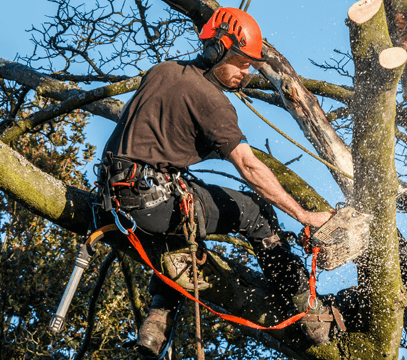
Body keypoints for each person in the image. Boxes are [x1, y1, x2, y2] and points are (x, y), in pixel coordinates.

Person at [98, 7, 338, 358]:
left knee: (180, 244)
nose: (246, 71)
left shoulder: (161, 72)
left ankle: (153, 331)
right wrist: (304, 215)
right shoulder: (212, 101)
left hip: (112, 203)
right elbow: (248, 166)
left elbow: (162, 136)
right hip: (153, 202)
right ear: (217, 50)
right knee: (256, 211)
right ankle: (308, 310)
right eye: (241, 62)